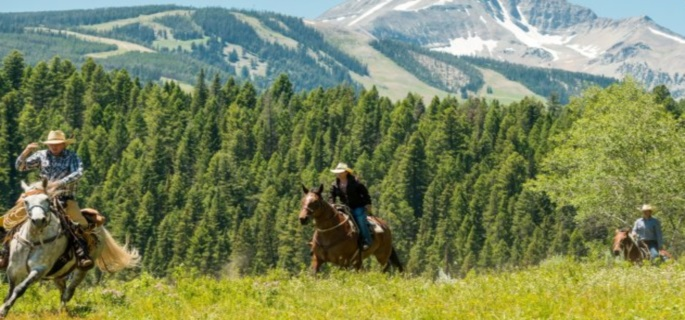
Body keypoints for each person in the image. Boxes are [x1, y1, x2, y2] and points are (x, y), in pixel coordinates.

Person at [0, 130, 93, 270]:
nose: (54, 147)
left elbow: (78, 173)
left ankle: (82, 254)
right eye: (51, 144)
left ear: (63, 144)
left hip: (63, 195)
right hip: (40, 194)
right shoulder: (42, 155)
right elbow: (20, 167)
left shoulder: (72, 156)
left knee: (79, 223)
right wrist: (25, 152)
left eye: (57, 144)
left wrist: (59, 183)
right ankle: (5, 253)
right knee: (10, 219)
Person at [328, 162, 374, 250]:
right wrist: (332, 203)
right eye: (337, 172)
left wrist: (368, 203)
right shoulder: (334, 184)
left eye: (340, 172)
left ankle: (367, 240)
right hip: (344, 207)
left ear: (346, 172)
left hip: (357, 206)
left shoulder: (355, 182)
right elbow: (331, 195)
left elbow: (364, 193)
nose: (338, 174)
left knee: (360, 220)